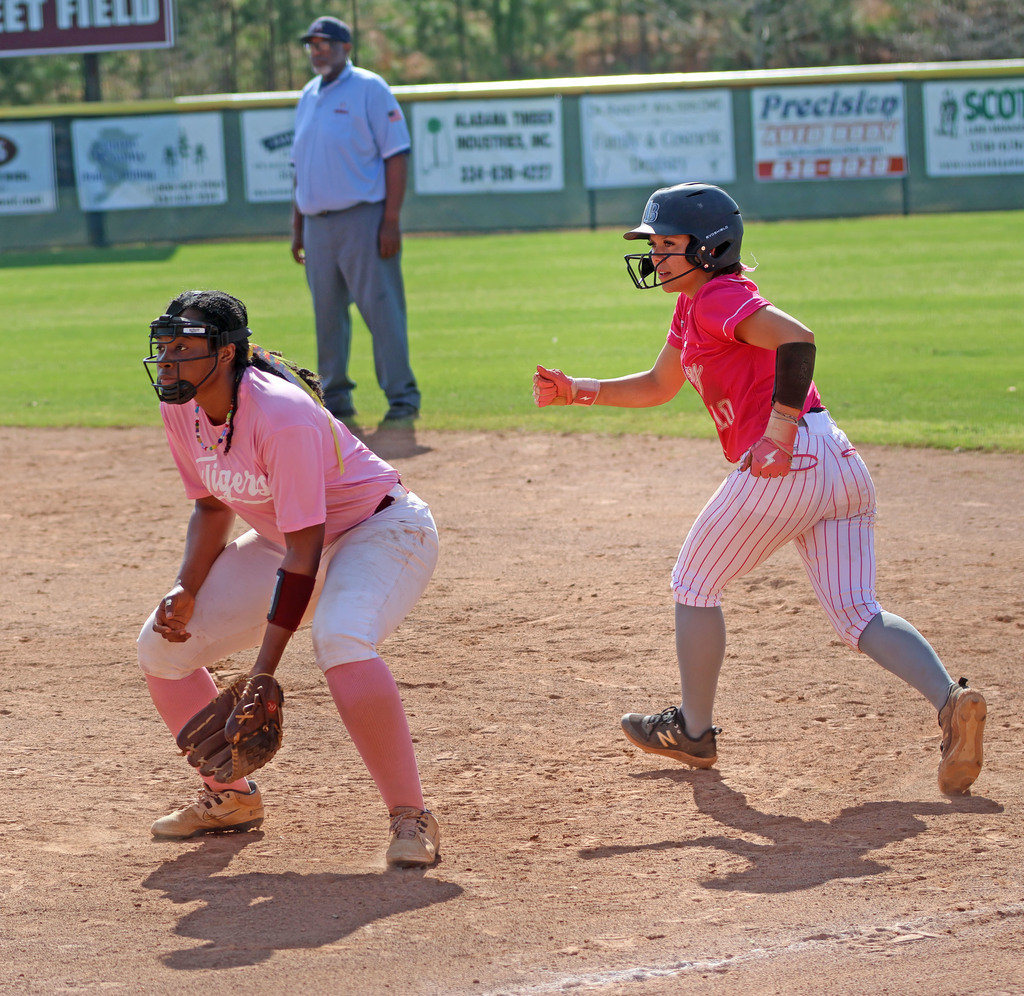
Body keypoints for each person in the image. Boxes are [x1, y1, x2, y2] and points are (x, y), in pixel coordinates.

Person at [533, 182, 987, 796]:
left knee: (694, 583)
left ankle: (693, 731)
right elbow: (658, 385)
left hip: (786, 461)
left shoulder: (721, 296)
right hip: (838, 462)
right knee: (858, 612)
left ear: (710, 247)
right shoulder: (693, 306)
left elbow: (798, 339)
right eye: (654, 244)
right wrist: (578, 389)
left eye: (668, 245)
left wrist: (776, 433)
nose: (655, 256)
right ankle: (950, 702)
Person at [138, 289, 440, 867]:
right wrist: (186, 587)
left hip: (378, 531)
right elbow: (210, 507)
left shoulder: (281, 415)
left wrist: (263, 670)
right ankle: (231, 798)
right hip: (290, 541)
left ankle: (410, 816)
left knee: (341, 638)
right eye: (164, 345)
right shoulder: (180, 407)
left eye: (185, 345)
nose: (169, 359)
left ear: (225, 353)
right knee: (159, 647)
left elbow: (305, 553)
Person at [289, 15, 420, 430]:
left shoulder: (369, 87)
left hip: (363, 218)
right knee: (326, 315)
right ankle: (336, 398)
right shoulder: (308, 95)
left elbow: (396, 154)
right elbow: (300, 169)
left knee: (381, 311)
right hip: (317, 224)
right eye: (312, 44)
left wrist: (391, 220)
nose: (317, 50)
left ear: (346, 47)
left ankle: (402, 397)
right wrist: (297, 227)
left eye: (325, 43)